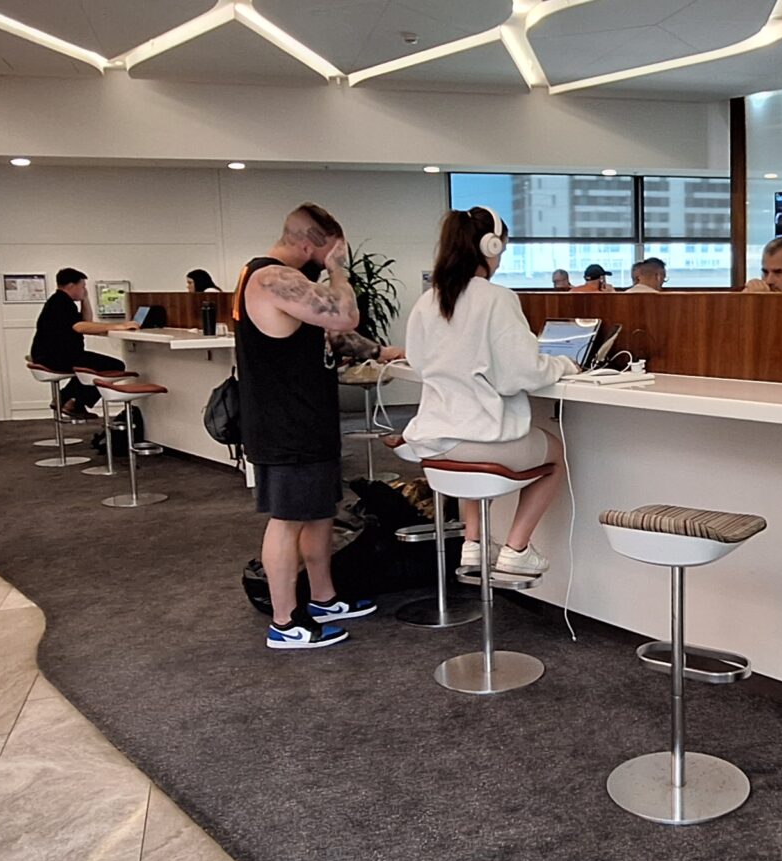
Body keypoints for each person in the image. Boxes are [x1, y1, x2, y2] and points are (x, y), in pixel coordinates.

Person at [238, 204, 402, 649]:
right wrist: (338, 271)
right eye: (329, 253)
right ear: (310, 246)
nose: (332, 262)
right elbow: (343, 315)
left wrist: (383, 352)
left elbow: (331, 334)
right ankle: (285, 622)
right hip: (285, 425)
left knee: (317, 513)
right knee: (288, 520)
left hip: (307, 422)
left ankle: (324, 598)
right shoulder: (270, 277)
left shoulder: (286, 284)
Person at [399, 207, 575, 578]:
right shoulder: (496, 298)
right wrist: (564, 365)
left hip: (434, 440)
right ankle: (516, 549)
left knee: (470, 434)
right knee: (555, 453)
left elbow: (417, 361)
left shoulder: (428, 300)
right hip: (474, 441)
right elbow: (522, 373)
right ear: (490, 246)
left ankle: (474, 543)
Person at [31, 268, 139, 416]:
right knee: (114, 365)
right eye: (82, 286)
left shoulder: (59, 301)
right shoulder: (62, 303)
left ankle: (65, 398)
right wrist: (118, 326)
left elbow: (86, 321)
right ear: (71, 286)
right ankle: (75, 403)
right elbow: (80, 327)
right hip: (55, 357)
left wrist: (85, 299)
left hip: (53, 355)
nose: (84, 290)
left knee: (91, 366)